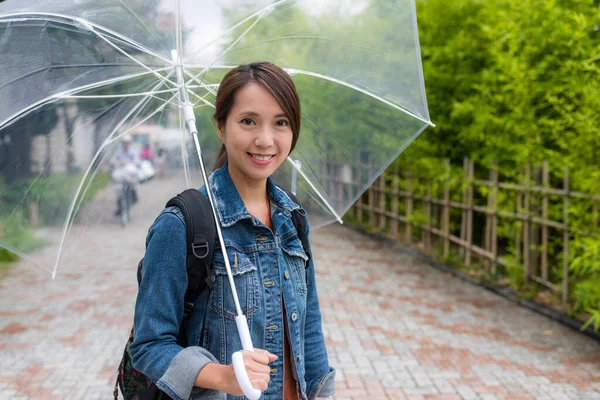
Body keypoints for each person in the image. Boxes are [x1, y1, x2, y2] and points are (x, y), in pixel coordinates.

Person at [129, 62, 335, 400]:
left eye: (280, 123)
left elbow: (309, 326)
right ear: (220, 127)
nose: (265, 140)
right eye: (248, 121)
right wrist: (222, 376)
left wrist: (323, 393)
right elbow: (150, 345)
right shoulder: (182, 225)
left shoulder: (293, 218)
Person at [110, 134, 140, 215]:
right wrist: (115, 163)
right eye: (124, 142)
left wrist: (127, 163)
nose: (126, 144)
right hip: (121, 174)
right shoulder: (119, 152)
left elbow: (137, 162)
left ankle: (134, 194)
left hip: (130, 174)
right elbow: (113, 160)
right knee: (118, 189)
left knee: (133, 185)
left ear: (129, 143)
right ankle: (119, 204)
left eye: (127, 142)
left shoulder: (133, 152)